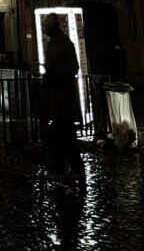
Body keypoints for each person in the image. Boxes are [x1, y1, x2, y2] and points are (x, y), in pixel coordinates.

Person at [41, 13, 85, 185]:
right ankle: (60, 168)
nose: (44, 29)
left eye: (46, 26)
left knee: (63, 133)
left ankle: (72, 169)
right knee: (60, 134)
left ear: (53, 26)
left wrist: (55, 72)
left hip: (63, 95)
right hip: (55, 94)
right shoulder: (51, 43)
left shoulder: (65, 44)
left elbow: (73, 67)